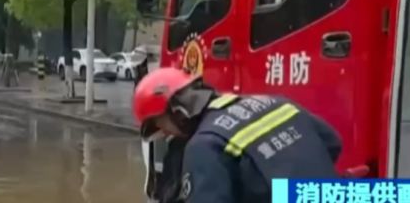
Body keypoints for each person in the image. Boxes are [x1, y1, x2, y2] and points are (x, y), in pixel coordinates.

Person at [132, 67, 342, 203]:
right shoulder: (276, 102)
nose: (167, 133)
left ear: (179, 112)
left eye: (164, 126)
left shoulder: (204, 145)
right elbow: (333, 142)